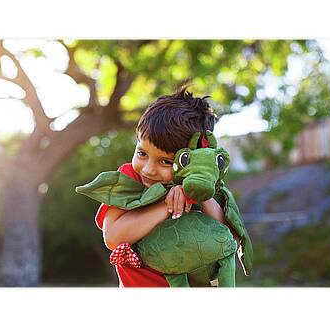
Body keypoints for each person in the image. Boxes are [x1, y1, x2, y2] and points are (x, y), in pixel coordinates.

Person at [94, 84, 231, 287]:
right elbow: (113, 237)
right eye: (142, 153)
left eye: (166, 162)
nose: (148, 170)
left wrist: (195, 190)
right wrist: (168, 206)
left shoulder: (202, 187)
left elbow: (225, 239)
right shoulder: (128, 178)